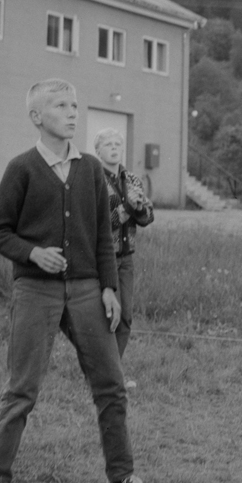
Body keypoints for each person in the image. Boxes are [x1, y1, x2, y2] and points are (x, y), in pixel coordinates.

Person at [0, 78, 157, 483]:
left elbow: (103, 235)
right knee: (22, 390)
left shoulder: (92, 169)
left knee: (112, 386)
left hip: (86, 290)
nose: (72, 112)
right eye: (60, 105)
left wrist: (110, 287)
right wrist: (33, 253)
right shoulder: (21, 169)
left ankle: (123, 475)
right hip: (35, 290)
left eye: (75, 105)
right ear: (37, 116)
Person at [93, 128, 154, 368]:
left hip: (127, 259)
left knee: (126, 316)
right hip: (103, 259)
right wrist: (126, 208)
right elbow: (98, 225)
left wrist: (139, 209)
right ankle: (101, 372)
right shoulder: (93, 180)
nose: (114, 148)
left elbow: (148, 218)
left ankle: (112, 372)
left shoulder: (132, 179)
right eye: (108, 144)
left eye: (118, 144)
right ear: (98, 151)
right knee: (108, 317)